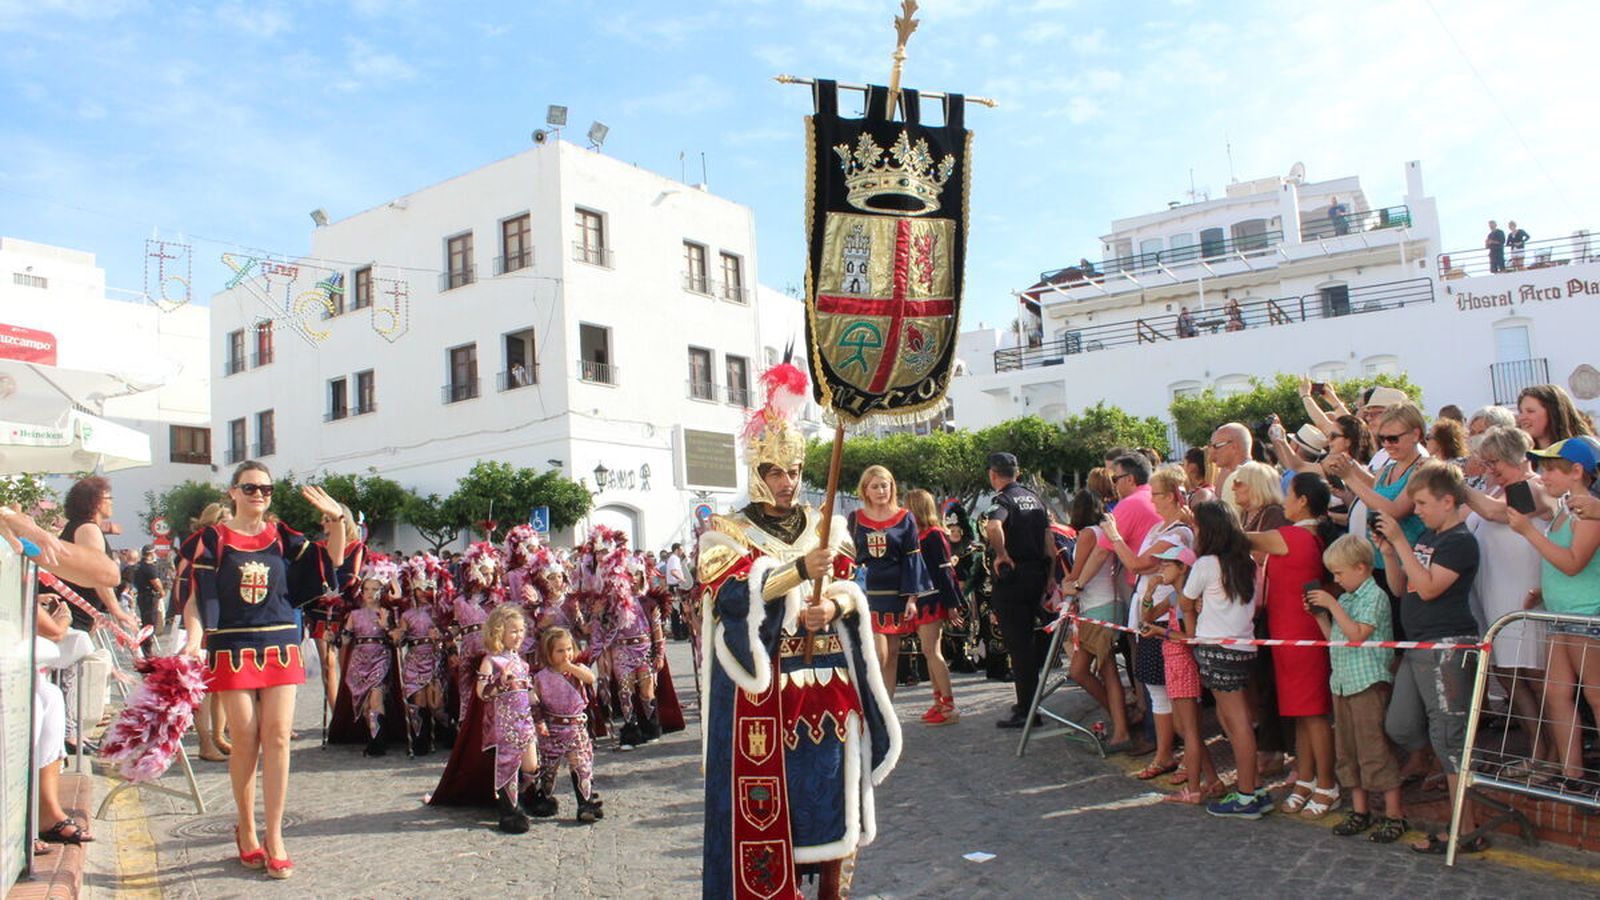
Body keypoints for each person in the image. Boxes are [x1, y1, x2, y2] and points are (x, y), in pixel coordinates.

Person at [698, 360, 897, 899]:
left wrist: (831, 609)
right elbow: (732, 593)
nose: (788, 483)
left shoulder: (827, 523)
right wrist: (797, 573)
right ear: (757, 472)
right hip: (764, 693)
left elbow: (851, 584)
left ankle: (834, 892)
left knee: (834, 799)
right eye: (776, 473)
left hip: (829, 685)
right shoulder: (724, 530)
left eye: (794, 471)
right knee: (770, 806)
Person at [180, 461, 350, 880]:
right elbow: (194, 597)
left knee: (276, 737)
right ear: (233, 492)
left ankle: (275, 836)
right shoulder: (212, 539)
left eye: (266, 489)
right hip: (232, 645)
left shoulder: (282, 536)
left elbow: (336, 558)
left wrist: (338, 519)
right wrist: (192, 639)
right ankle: (247, 827)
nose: (259, 495)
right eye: (251, 488)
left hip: (278, 643)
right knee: (245, 737)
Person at [1374, 461, 1483, 854]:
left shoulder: (1458, 541)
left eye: (1421, 502)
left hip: (1447, 646)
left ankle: (1463, 829)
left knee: (1450, 738)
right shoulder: (1433, 539)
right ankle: (1453, 801)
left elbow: (1431, 588)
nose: (1415, 510)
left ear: (1447, 500)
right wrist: (1390, 553)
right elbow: (1402, 587)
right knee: (1401, 723)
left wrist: (1401, 541)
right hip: (1421, 645)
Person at [1507, 436, 1600, 793]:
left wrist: (1528, 531)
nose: (1543, 476)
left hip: (1585, 617)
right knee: (1555, 694)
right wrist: (1544, 591)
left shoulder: (1587, 511)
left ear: (1576, 471)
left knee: (1594, 695)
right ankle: (1571, 773)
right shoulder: (1565, 508)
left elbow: (1575, 564)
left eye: (1550, 469)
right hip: (1561, 614)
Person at [1247, 473, 1338, 817]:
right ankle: (1308, 778)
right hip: (1288, 632)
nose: (1284, 500)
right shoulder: (1298, 535)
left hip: (1301, 633)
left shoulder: (1294, 537)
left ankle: (1327, 783)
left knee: (1314, 714)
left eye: (1289, 495)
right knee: (1302, 715)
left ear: (1302, 501)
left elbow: (1240, 538)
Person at [1305, 536, 1407, 843]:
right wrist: (1321, 615)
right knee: (1347, 750)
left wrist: (1332, 604)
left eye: (1339, 573)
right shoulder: (1347, 598)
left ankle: (1394, 813)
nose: (1336, 580)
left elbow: (1357, 634)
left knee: (1374, 748)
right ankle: (1360, 810)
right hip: (1344, 681)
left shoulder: (1373, 596)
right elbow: (1336, 636)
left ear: (1361, 567)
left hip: (1367, 682)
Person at [1461, 426, 1552, 769]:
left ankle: (1551, 757)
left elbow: (1497, 514)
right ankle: (1537, 752)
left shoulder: (1533, 486)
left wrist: (1459, 487)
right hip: (1496, 600)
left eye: (1494, 461)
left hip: (1523, 600)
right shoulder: (1498, 489)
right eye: (1485, 462)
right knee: (1512, 678)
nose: (1489, 468)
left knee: (1535, 680)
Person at [1100, 462, 1192, 779]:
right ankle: (1168, 754)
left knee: (1172, 693)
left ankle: (1179, 757)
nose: (1151, 500)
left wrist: (1113, 536)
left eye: (1157, 494)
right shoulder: (1160, 528)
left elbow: (1138, 564)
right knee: (1157, 690)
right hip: (1149, 610)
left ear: (1173, 496)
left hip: (1165, 616)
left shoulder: (1180, 531)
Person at [1183, 501, 1271, 819]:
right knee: (1231, 720)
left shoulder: (1206, 564)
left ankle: (1247, 795)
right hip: (1242, 647)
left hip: (1215, 648)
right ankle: (1255, 786)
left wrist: (1192, 632)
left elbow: (1187, 599)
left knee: (1237, 723)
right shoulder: (1246, 562)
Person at [53, 476, 138, 754]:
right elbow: (97, 572)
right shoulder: (88, 529)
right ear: (96, 501)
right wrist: (116, 610)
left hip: (75, 612)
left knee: (71, 671)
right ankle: (68, 735)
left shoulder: (81, 527)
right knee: (72, 672)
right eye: (109, 497)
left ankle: (70, 733)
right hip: (72, 613)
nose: (112, 502)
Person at [1059, 489, 1137, 752]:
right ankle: (1120, 717)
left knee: (1106, 671)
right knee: (1082, 670)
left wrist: (1065, 584)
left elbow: (1076, 575)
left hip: (1096, 607)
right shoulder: (1104, 531)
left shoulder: (1087, 534)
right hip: (1110, 604)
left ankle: (1122, 729)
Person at [984, 452, 1056, 730]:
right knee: (1030, 642)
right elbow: (1048, 540)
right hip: (1037, 574)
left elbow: (993, 526)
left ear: (993, 474)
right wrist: (1049, 577)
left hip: (1012, 577)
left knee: (1019, 646)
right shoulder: (1035, 499)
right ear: (1018, 472)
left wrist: (1001, 554)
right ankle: (1030, 703)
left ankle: (1027, 710)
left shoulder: (1002, 500)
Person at [1144, 543, 1221, 804]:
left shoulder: (1187, 600)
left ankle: (1194, 789)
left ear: (1182, 568)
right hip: (1173, 663)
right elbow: (1148, 617)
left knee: (1188, 729)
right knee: (1186, 728)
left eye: (1167, 563)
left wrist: (1161, 633)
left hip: (1184, 664)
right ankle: (1212, 780)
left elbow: (1190, 638)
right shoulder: (1175, 598)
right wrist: (1149, 592)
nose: (1161, 567)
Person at [849, 465, 933, 697]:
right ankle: (871, 704)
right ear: (865, 490)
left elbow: (912, 558)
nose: (880, 490)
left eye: (884, 485)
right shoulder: (855, 519)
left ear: (892, 487)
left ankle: (886, 710)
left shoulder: (905, 518)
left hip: (895, 595)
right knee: (879, 654)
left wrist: (912, 598)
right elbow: (847, 557)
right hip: (867, 596)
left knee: (893, 654)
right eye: (874, 486)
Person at [476, 604, 541, 834]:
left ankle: (523, 798)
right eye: (513, 631)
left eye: (521, 630)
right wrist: (499, 683)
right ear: (498, 631)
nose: (519, 635)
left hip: (525, 722)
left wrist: (540, 716)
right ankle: (509, 809)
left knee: (531, 766)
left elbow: (530, 693)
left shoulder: (522, 663)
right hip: (504, 725)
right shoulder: (491, 661)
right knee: (508, 766)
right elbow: (481, 692)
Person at [527, 626, 601, 823]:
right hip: (552, 730)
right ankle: (544, 798)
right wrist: (539, 721)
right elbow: (534, 700)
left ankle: (585, 804)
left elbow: (590, 678)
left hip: (576, 728)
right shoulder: (541, 677)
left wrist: (571, 668)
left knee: (581, 766)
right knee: (549, 769)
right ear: (548, 653)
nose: (566, 654)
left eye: (568, 649)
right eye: (560, 651)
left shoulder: (578, 670)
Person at [905, 488, 962, 725]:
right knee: (929, 653)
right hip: (924, 599)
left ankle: (948, 706)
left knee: (932, 652)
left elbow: (945, 571)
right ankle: (939, 702)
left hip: (933, 600)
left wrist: (952, 604)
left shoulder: (935, 535)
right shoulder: (921, 535)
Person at [341, 561, 399, 757]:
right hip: (359, 659)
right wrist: (333, 638)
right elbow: (345, 639)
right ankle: (373, 737)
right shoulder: (354, 615)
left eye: (375, 589)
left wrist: (386, 626)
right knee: (366, 706)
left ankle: (378, 743)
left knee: (376, 696)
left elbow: (396, 639)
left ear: (381, 591)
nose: (369, 592)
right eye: (366, 588)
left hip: (380, 656)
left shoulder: (386, 613)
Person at [1517, 384, 1594, 450]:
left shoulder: (1586, 448)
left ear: (1553, 412)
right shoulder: (1521, 457)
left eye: (1530, 411)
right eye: (1521, 412)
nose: (1522, 418)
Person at [1209, 423, 1252, 511]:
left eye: (1217, 446)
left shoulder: (1237, 478)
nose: (1212, 452)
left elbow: (1228, 523)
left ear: (1234, 447)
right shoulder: (1260, 473)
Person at [133, 545, 164, 656]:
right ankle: (147, 651)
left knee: (145, 622)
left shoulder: (138, 566)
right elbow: (155, 581)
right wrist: (162, 592)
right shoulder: (148, 567)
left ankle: (145, 648)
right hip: (149, 597)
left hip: (141, 596)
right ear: (151, 554)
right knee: (150, 624)